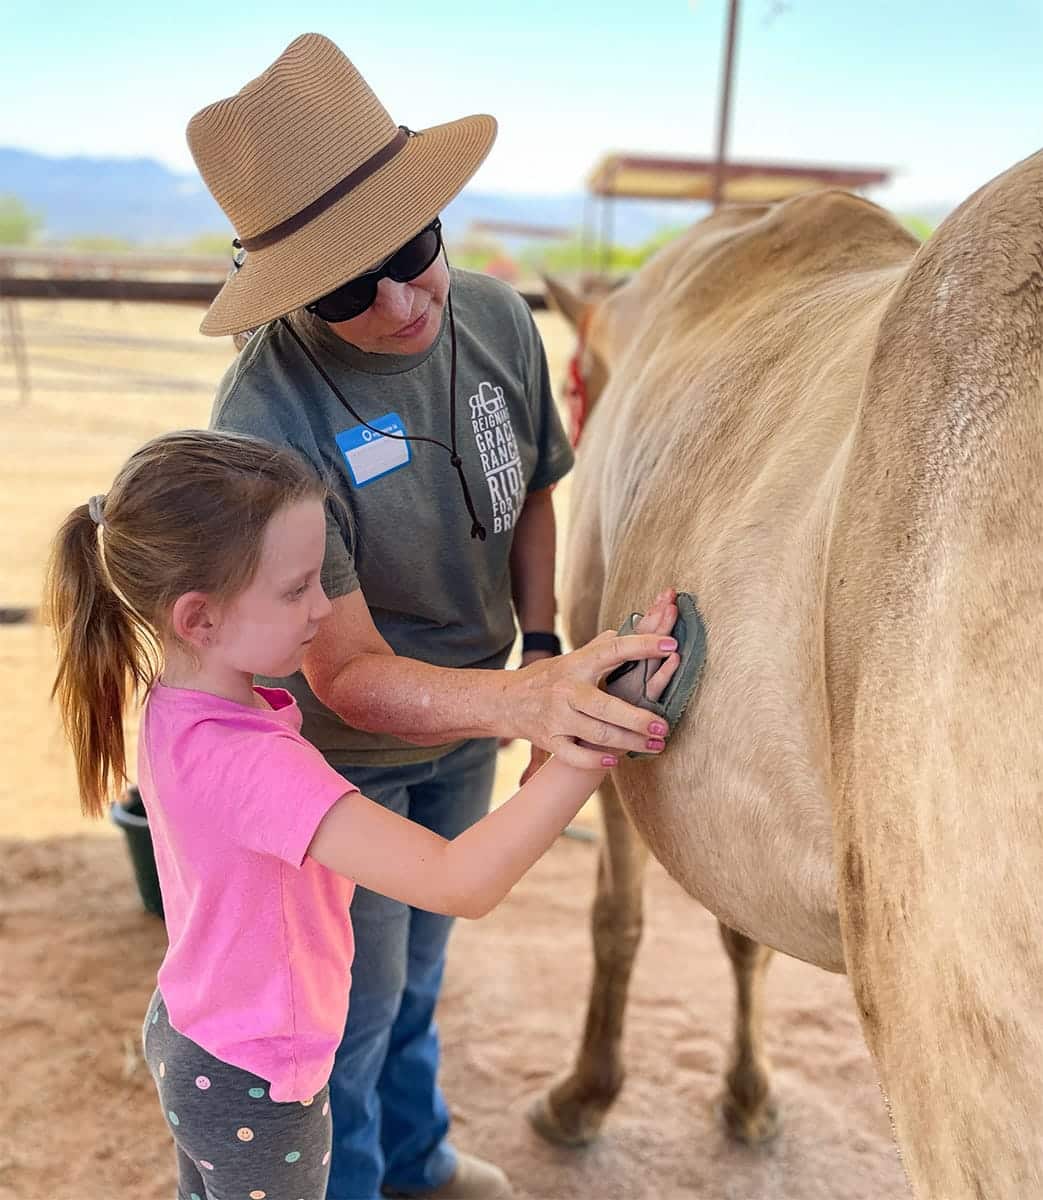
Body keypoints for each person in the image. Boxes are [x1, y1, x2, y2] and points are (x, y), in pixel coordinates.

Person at [186, 32, 678, 1200]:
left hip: (465, 719)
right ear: (291, 291)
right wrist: (528, 701)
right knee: (345, 1020)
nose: (404, 301)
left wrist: (542, 646)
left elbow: (533, 497)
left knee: (412, 983)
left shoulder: (498, 319)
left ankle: (416, 1161)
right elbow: (345, 671)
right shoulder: (270, 419)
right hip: (344, 762)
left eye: (415, 250)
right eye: (352, 287)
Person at [44, 429, 680, 1200]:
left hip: (195, 1032)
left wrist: (547, 737)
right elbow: (459, 882)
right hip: (256, 1079)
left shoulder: (183, 707)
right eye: (297, 588)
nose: (324, 607)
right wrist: (586, 738)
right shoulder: (253, 765)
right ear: (198, 619)